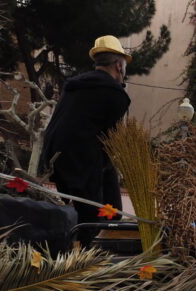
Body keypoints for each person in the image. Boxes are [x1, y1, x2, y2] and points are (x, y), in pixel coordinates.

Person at [42, 35, 132, 246]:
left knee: (85, 214)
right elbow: (110, 140)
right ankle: (87, 263)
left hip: (56, 156)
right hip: (84, 161)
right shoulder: (116, 94)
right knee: (93, 222)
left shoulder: (73, 86)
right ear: (118, 65)